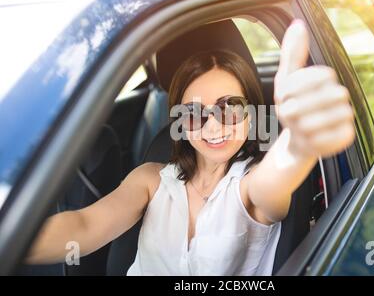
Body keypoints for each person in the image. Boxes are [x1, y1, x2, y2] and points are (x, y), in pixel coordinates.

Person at [26, 19, 355, 275]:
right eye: (195, 112)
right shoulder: (151, 179)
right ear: (179, 123)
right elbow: (83, 227)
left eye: (229, 107)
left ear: (252, 113)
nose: (213, 125)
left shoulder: (249, 185)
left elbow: (274, 181)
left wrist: (298, 143)